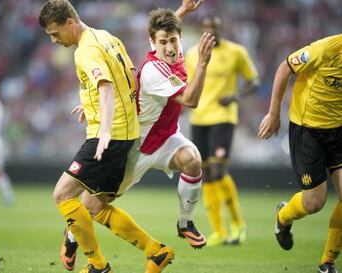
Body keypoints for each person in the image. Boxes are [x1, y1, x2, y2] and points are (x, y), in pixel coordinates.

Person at [59, 0, 215, 272]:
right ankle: (72, 236)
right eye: (164, 42)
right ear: (154, 44)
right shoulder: (156, 70)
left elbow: (163, 33)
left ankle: (184, 222)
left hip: (166, 136)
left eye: (174, 41)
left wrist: (182, 11)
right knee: (93, 206)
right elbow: (190, 100)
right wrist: (202, 63)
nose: (170, 47)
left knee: (192, 160)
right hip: (138, 146)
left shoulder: (170, 50)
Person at [39, 1, 181, 272]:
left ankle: (97, 265)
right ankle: (156, 251)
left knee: (63, 195)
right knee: (94, 205)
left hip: (108, 136)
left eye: (55, 34)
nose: (55, 40)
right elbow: (128, 77)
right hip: (124, 133)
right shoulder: (106, 36)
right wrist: (91, 105)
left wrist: (104, 129)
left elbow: (104, 86)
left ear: (70, 22)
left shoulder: (85, 51)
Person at [258, 34, 342, 273]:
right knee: (315, 202)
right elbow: (284, 68)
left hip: (339, 130)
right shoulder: (326, 49)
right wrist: (274, 114)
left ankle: (327, 262)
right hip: (308, 130)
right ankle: (283, 216)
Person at [184, 13, 259, 246]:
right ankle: (218, 231)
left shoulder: (236, 52)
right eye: (207, 28)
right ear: (201, 30)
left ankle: (238, 224)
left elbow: (253, 81)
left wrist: (235, 96)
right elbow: (187, 85)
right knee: (205, 175)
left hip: (223, 117)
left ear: (220, 28)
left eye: (214, 27)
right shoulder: (190, 54)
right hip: (199, 118)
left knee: (218, 171)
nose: (211, 32)